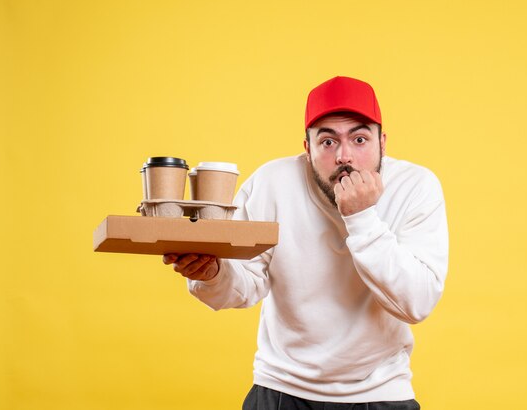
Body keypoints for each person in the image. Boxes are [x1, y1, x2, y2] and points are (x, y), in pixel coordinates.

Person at [163, 76, 449, 409]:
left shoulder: (416, 187)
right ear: (307, 148)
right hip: (281, 390)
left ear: (383, 143)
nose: (345, 156)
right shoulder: (272, 182)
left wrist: (361, 218)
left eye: (359, 139)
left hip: (381, 394)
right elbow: (242, 287)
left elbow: (417, 303)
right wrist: (212, 273)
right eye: (328, 142)